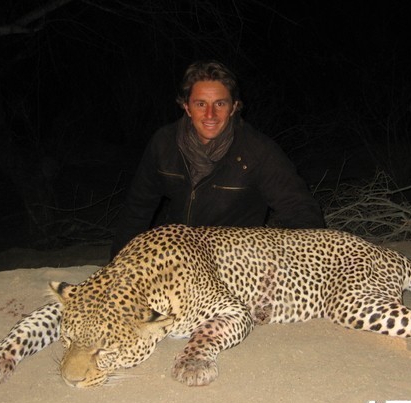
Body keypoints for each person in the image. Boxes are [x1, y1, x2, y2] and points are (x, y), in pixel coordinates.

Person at [111, 60, 324, 257]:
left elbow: (301, 211)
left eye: (220, 104)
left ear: (233, 107)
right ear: (186, 106)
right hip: (179, 256)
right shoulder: (164, 143)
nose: (210, 115)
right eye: (201, 104)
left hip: (236, 261)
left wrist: (301, 264)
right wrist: (116, 268)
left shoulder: (258, 151)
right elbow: (136, 211)